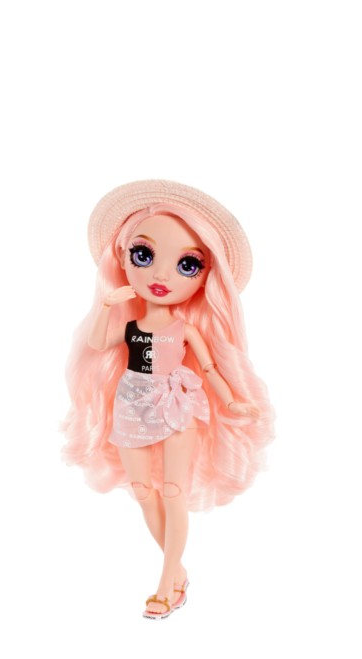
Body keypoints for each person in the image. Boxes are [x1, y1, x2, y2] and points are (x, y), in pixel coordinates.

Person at [63, 180, 273, 619]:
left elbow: (210, 369)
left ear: (207, 276)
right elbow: (98, 342)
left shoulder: (185, 329)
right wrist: (107, 304)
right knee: (144, 491)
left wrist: (231, 402)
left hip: (177, 403)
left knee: (173, 491)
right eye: (144, 255)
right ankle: (177, 571)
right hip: (131, 403)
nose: (161, 276)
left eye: (187, 265)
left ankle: (166, 583)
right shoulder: (130, 327)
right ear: (123, 259)